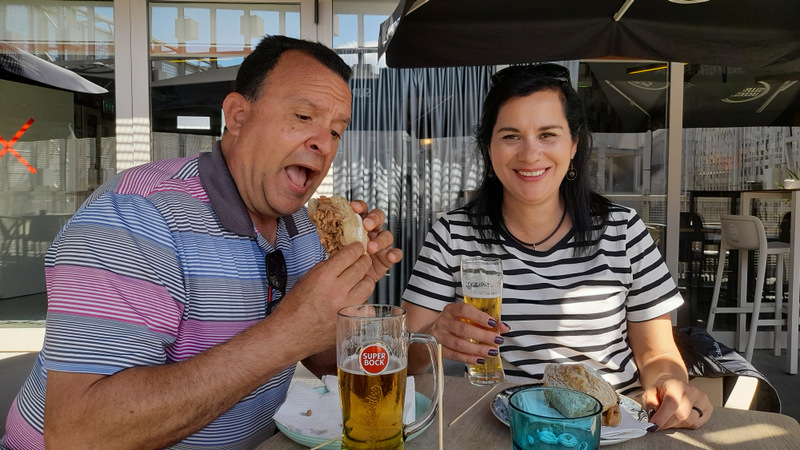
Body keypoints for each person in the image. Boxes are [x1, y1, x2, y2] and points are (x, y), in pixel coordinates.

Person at [1, 35, 402, 449]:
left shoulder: (301, 227)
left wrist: (348, 305)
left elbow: (317, 357)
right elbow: (78, 435)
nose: (323, 144)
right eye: (303, 116)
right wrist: (286, 333)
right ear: (238, 115)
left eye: (336, 131)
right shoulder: (136, 215)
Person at [401, 63, 711, 431]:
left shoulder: (623, 229)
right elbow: (408, 356)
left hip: (614, 427)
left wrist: (669, 384)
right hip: (508, 426)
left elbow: (656, 351)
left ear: (574, 144)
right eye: (511, 136)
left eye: (548, 134)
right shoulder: (452, 234)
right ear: (488, 147)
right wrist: (434, 336)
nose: (530, 155)